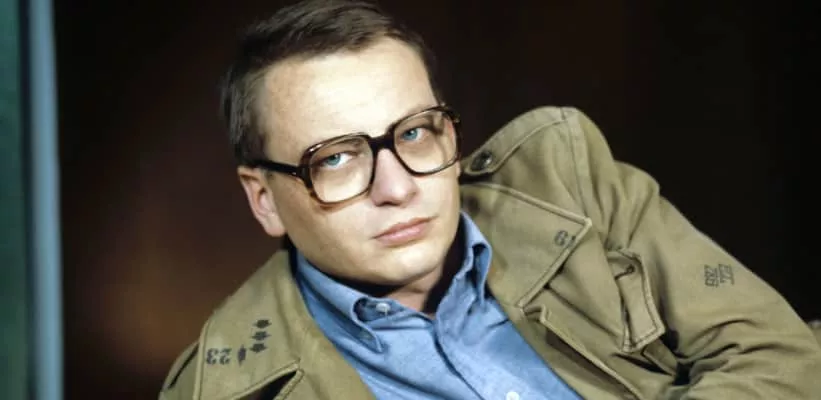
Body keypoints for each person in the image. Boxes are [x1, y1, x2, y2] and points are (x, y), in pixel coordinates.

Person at [158, 1, 821, 399]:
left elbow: (781, 357)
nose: (398, 188)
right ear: (265, 200)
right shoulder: (224, 389)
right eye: (334, 158)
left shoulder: (569, 184)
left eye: (413, 133)